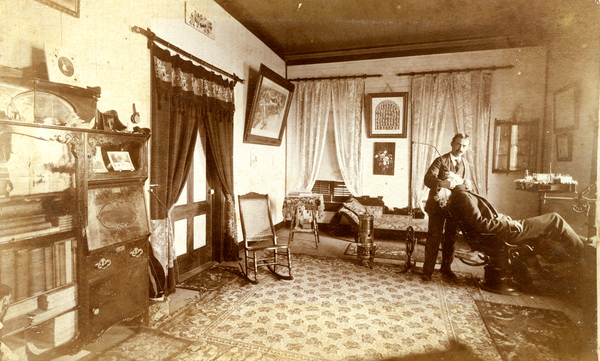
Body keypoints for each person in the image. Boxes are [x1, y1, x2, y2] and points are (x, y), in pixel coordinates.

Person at [447, 185, 584, 270]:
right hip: (505, 233)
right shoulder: (463, 196)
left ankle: (551, 268)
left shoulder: (461, 195)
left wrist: (501, 217)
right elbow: (481, 224)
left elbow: (480, 220)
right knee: (555, 219)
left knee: (543, 233)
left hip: (499, 232)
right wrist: (508, 223)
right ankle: (582, 253)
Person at [422, 133, 471, 281]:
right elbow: (428, 179)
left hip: (455, 207)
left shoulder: (465, 164)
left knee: (451, 238)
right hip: (437, 206)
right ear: (452, 143)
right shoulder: (440, 160)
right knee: (434, 237)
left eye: (464, 146)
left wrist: (467, 185)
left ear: (467, 147)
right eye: (458, 144)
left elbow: (464, 184)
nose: (460, 148)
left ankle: (446, 268)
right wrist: (443, 183)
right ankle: (427, 271)